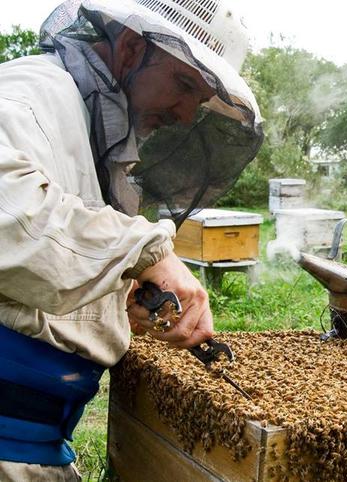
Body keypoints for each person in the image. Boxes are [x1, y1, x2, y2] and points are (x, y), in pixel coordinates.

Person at [0, 0, 263, 480]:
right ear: (131, 47)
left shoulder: (97, 128)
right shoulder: (28, 93)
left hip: (37, 445)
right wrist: (143, 252)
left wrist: (118, 300)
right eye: (184, 85)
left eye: (199, 100)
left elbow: (47, 266)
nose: (187, 116)